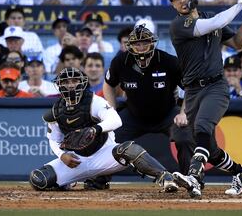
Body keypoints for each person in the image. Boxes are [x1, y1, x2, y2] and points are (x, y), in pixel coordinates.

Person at [168, 0, 242, 198]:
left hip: (216, 85)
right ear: (172, 4)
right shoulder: (179, 25)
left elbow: (237, 43)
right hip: (192, 90)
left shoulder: (209, 18)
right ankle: (240, 172)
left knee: (202, 127)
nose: (181, 0)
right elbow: (212, 24)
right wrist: (239, 5)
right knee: (212, 149)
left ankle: (194, 177)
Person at [29, 67, 178, 192]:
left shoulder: (95, 101)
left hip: (103, 154)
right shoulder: (56, 111)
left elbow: (116, 120)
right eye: (66, 82)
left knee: (129, 149)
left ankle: (165, 177)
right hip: (76, 160)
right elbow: (54, 140)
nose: (70, 85)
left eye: (74, 81)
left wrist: (95, 129)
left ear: (81, 83)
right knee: (38, 179)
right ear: (59, 85)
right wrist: (62, 156)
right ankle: (72, 181)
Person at [103, 24, 194, 175]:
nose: (141, 47)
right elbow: (108, 85)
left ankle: (190, 178)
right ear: (130, 45)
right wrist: (111, 111)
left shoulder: (168, 61)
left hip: (167, 113)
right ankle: (99, 180)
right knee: (109, 138)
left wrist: (184, 113)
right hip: (133, 115)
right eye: (137, 44)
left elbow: (190, 87)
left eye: (145, 42)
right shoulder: (120, 62)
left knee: (185, 136)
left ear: (152, 42)